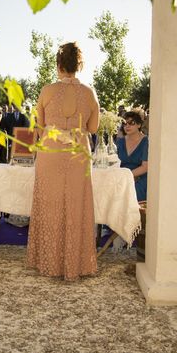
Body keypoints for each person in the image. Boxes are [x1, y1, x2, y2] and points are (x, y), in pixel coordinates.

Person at [27, 42, 99, 280]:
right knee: (76, 205)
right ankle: (74, 265)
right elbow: (94, 127)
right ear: (79, 65)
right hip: (78, 152)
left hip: (51, 151)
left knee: (50, 203)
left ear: (58, 65)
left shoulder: (47, 91)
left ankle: (48, 262)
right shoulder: (89, 93)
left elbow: (39, 125)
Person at [116, 109, 148, 202]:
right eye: (125, 123)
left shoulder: (146, 141)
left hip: (139, 177)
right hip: (122, 177)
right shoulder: (120, 141)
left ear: (139, 125)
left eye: (131, 123)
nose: (127, 126)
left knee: (133, 192)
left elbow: (145, 167)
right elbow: (115, 161)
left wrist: (128, 176)